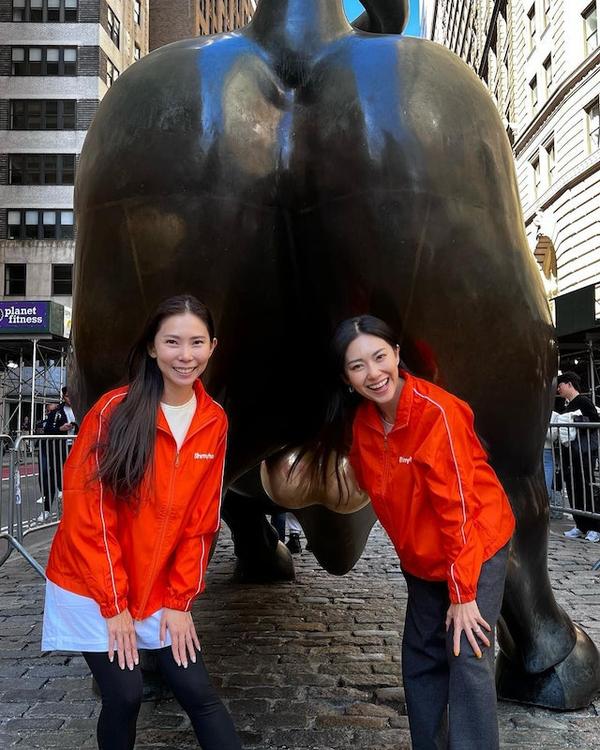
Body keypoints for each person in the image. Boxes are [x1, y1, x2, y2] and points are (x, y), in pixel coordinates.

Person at [304, 315, 514, 750]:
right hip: (421, 557)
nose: (373, 373)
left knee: (468, 651)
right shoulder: (362, 425)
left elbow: (459, 509)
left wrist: (463, 594)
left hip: (474, 542)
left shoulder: (438, 413)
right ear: (346, 378)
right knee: (420, 657)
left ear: (397, 355)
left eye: (379, 357)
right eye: (357, 366)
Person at [42, 294, 242, 750]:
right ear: (152, 347)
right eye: (172, 342)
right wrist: (114, 606)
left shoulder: (214, 420)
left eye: (196, 343)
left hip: (158, 587)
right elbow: (89, 513)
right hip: (93, 585)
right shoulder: (113, 411)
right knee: (125, 694)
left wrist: (180, 600)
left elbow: (202, 520)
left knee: (197, 691)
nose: (185, 355)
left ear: (213, 347)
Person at [556, 371, 600, 541]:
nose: (558, 389)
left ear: (569, 384)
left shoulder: (583, 401)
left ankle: (595, 527)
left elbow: (594, 420)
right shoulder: (567, 406)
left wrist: (574, 421)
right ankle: (581, 525)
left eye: (560, 385)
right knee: (573, 488)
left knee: (585, 486)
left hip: (584, 453)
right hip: (570, 454)